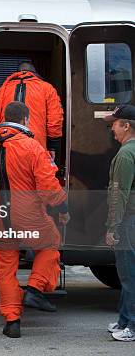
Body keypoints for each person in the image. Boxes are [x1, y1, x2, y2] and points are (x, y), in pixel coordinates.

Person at [0, 101, 69, 338]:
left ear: (4, 118)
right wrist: (62, 207)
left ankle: (12, 321)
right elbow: (48, 186)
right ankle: (35, 289)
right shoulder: (33, 147)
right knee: (50, 245)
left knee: (5, 270)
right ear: (26, 120)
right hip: (27, 216)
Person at [103, 104, 135, 342]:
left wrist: (112, 227)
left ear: (127, 125)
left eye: (114, 123)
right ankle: (124, 320)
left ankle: (132, 326)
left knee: (128, 274)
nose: (112, 128)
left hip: (127, 222)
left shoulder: (125, 154)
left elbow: (119, 193)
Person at [0, 62, 63, 159]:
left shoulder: (3, 90)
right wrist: (53, 146)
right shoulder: (47, 88)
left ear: (17, 73)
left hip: (5, 144)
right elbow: (55, 120)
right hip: (36, 145)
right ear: (35, 73)